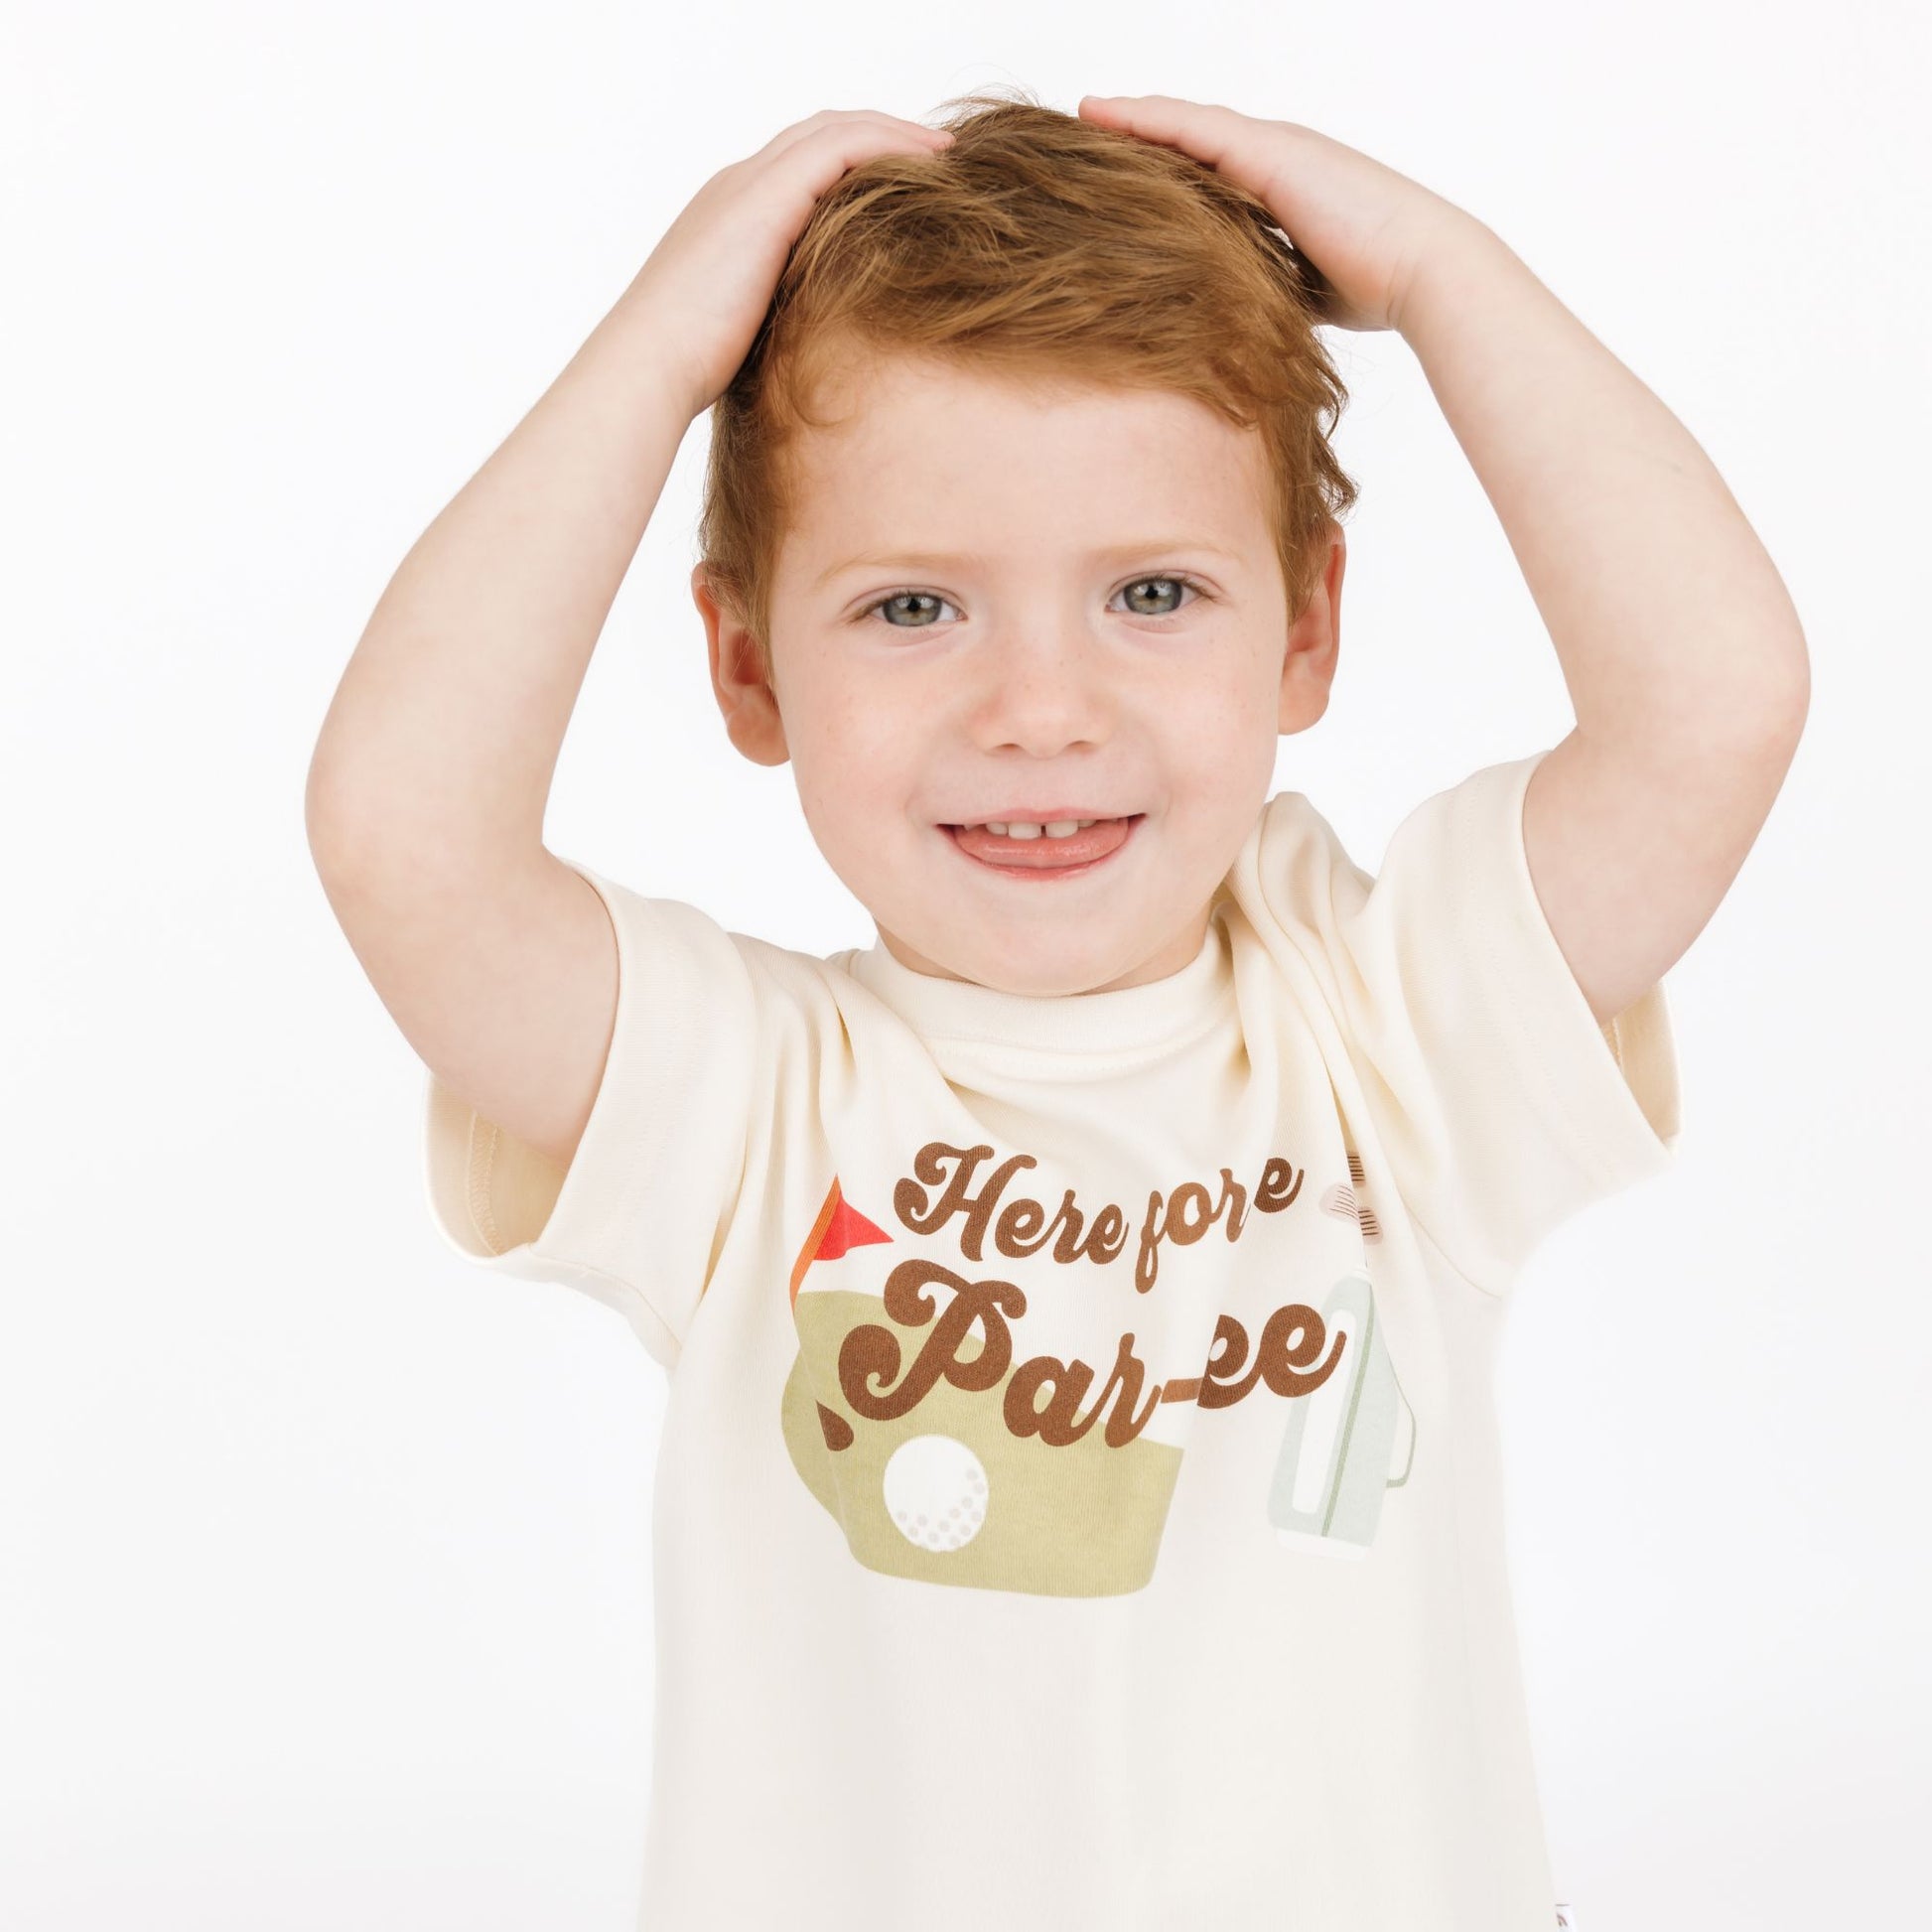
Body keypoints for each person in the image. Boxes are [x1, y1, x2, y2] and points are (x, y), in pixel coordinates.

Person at [306, 88, 1809, 1932]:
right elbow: (402, 835)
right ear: (747, 660)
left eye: (1152, 593)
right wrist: (658, 348)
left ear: (1305, 632)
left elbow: (1714, 700)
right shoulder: (745, 1103)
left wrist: (1435, 270)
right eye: (915, 606)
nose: (1039, 707)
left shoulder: (1391, 1030)